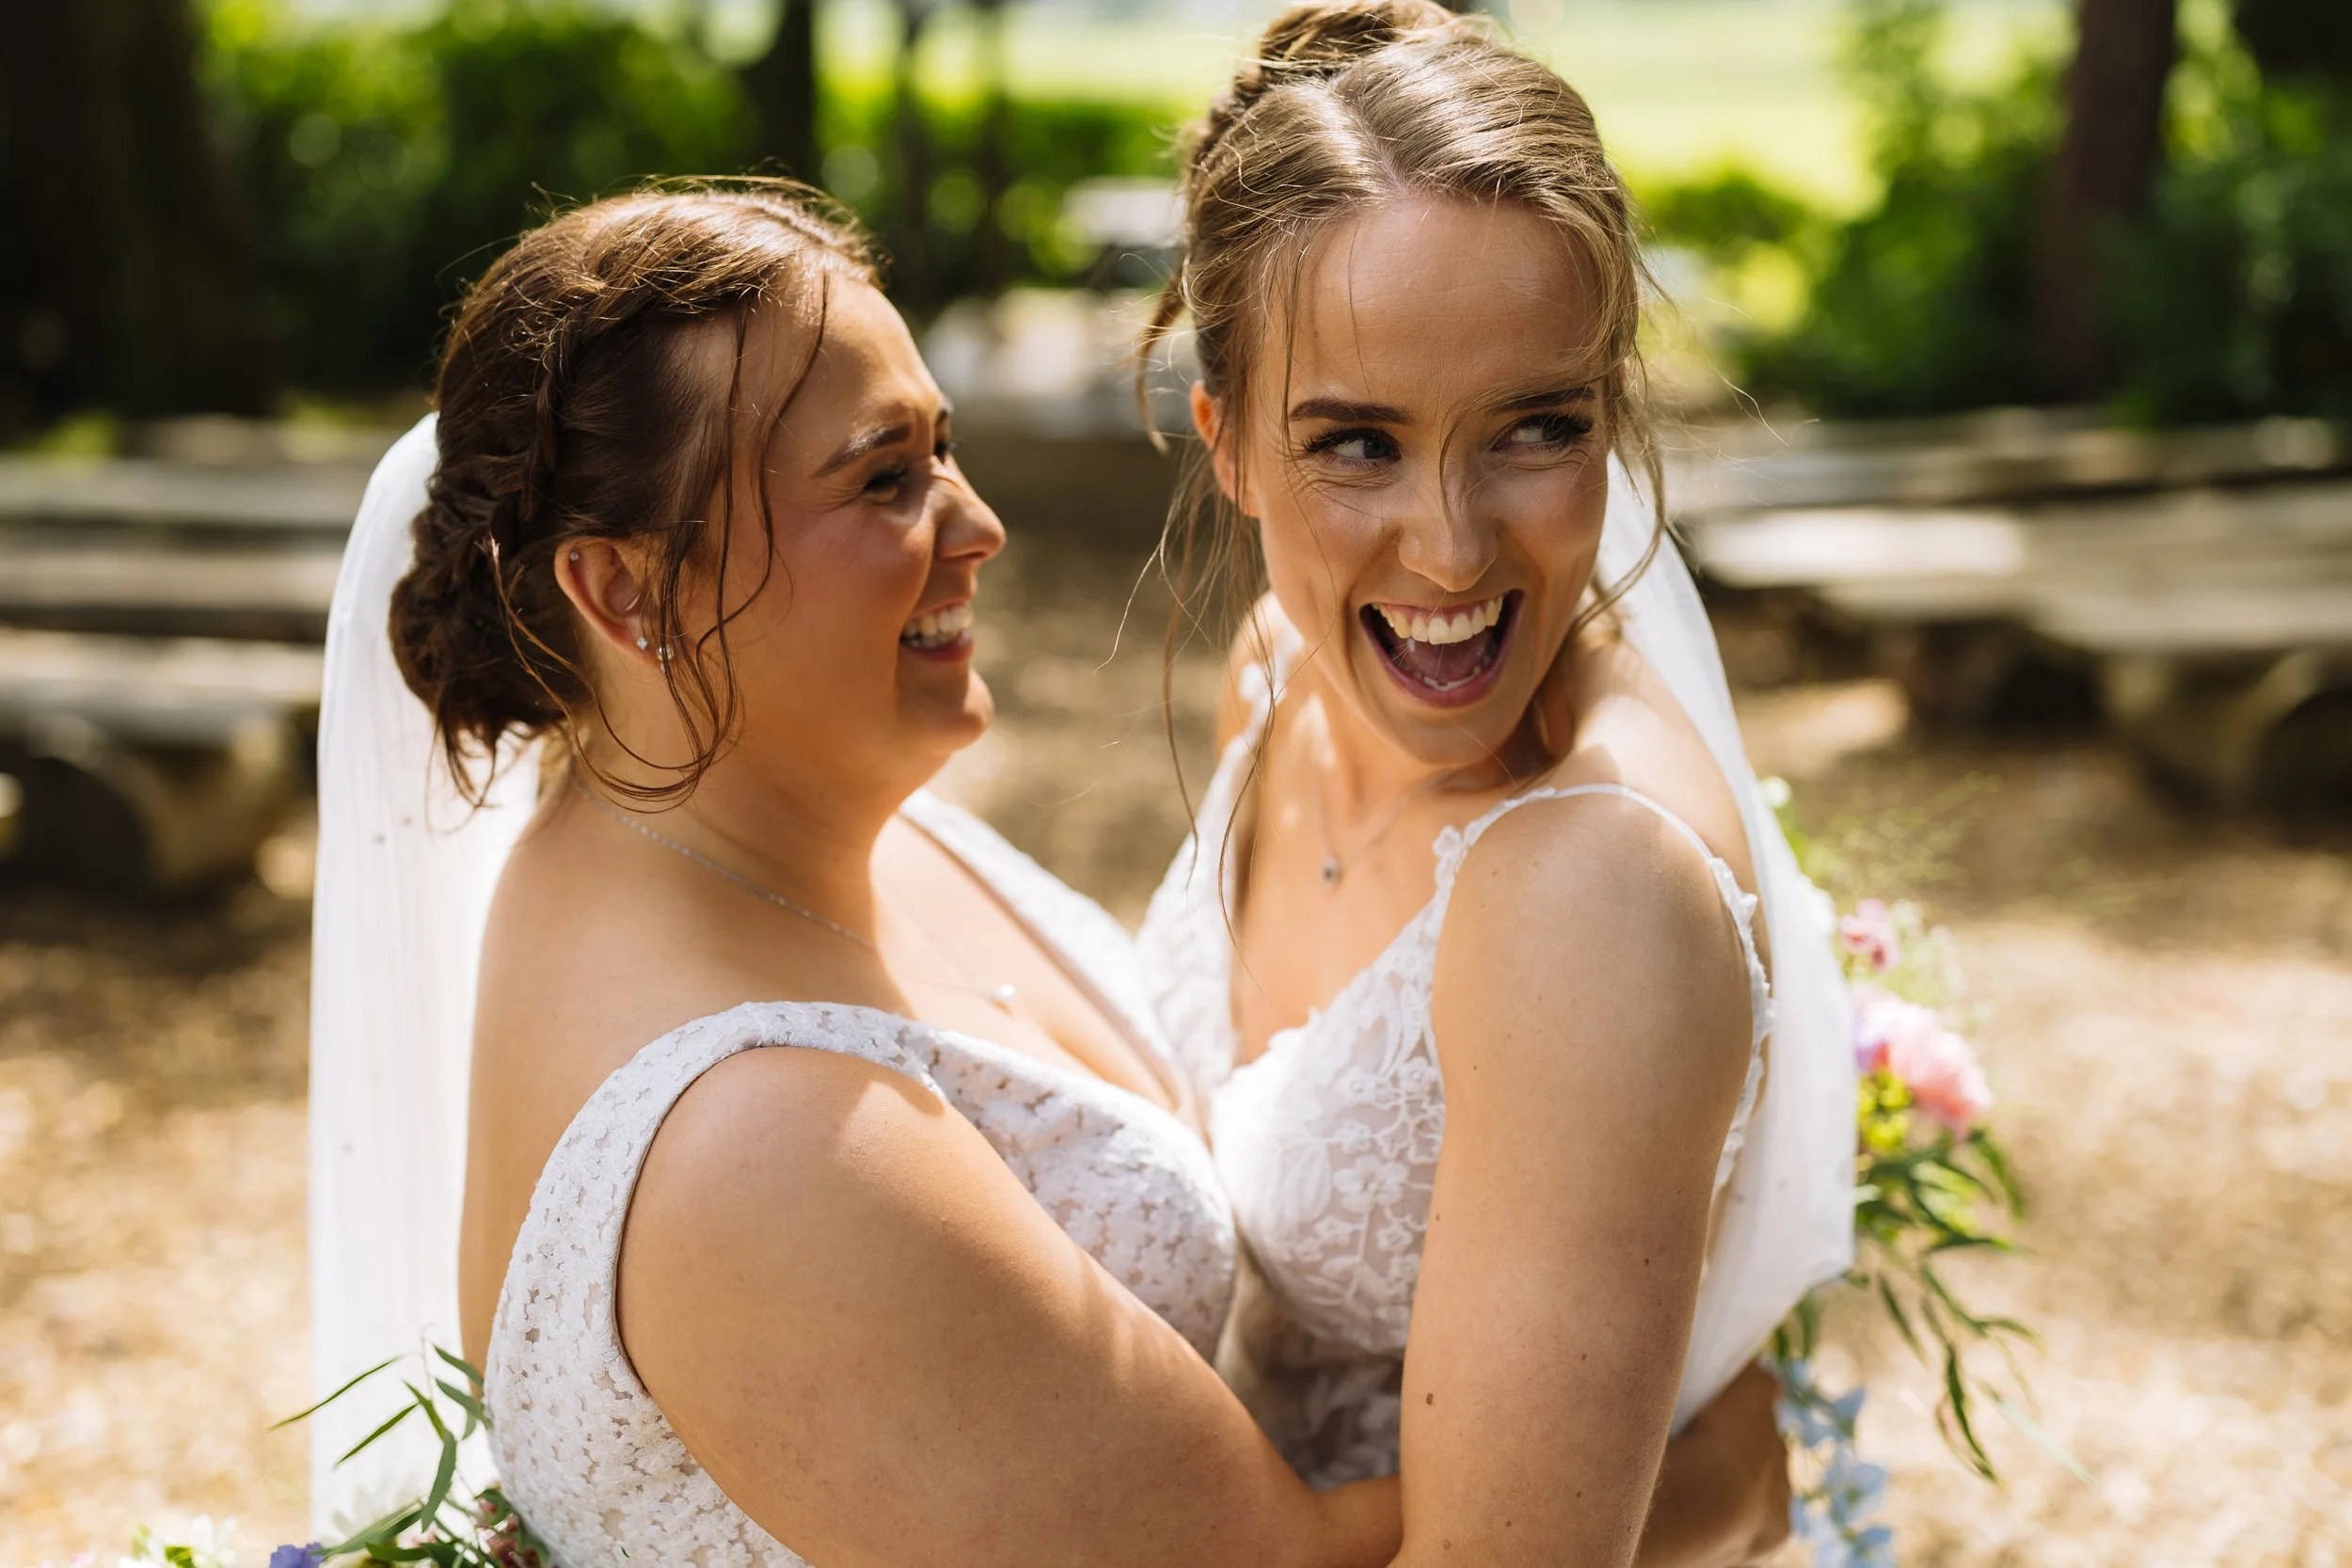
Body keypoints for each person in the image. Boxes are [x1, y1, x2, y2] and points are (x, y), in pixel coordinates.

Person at [306, 181, 1790, 1566]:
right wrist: (1709, 1468)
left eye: (939, 445)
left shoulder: (782, 820)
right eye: (883, 480)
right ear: (626, 589)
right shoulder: (761, 1147)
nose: (977, 525)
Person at [1131, 3, 1858, 1562]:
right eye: (1356, 446)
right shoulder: (1275, 666)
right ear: (1229, 446)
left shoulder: (1593, 887)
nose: (1451, 550)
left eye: (1536, 427)